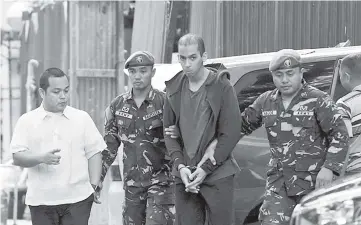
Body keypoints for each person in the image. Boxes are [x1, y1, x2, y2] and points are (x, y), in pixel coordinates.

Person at [204, 49, 349, 225]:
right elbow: (239, 126)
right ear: (273, 76)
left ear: (300, 72)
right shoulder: (266, 101)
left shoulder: (318, 100)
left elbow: (340, 134)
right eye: (279, 75)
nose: (285, 80)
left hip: (314, 182)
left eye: (290, 73)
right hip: (279, 185)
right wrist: (216, 144)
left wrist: (330, 168)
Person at [163, 33, 242, 225]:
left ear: (204, 57)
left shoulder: (220, 86)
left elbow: (231, 132)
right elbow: (168, 132)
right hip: (185, 175)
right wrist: (180, 166)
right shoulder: (173, 88)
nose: (187, 64)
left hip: (217, 172)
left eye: (193, 57)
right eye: (182, 58)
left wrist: (206, 168)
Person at [10, 68, 106, 225]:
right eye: (56, 92)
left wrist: (94, 185)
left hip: (78, 200)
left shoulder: (81, 118)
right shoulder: (27, 121)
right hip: (42, 202)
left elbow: (94, 152)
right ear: (42, 92)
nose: (63, 96)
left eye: (66, 90)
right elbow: (17, 157)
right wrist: (41, 158)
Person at [100, 51, 175, 225]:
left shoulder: (166, 103)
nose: (137, 76)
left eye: (143, 71)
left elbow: (180, 139)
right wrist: (97, 180)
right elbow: (109, 147)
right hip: (132, 187)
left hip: (161, 184)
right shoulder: (117, 106)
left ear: (153, 73)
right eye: (133, 72)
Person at [336, 53, 361, 174]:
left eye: (340, 76)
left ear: (346, 76)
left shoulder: (345, 104)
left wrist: (339, 178)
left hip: (355, 171)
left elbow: (343, 143)